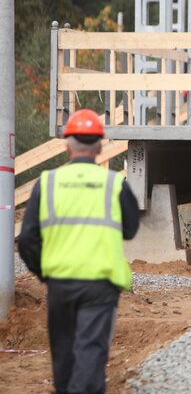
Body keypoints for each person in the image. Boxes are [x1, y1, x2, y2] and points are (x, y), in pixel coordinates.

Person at [18, 109, 140, 394]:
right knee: (90, 354)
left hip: (60, 284)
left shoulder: (46, 184)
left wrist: (45, 272)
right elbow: (131, 229)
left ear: (66, 146)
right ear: (99, 147)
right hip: (100, 285)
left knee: (64, 354)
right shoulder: (113, 184)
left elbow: (27, 241)